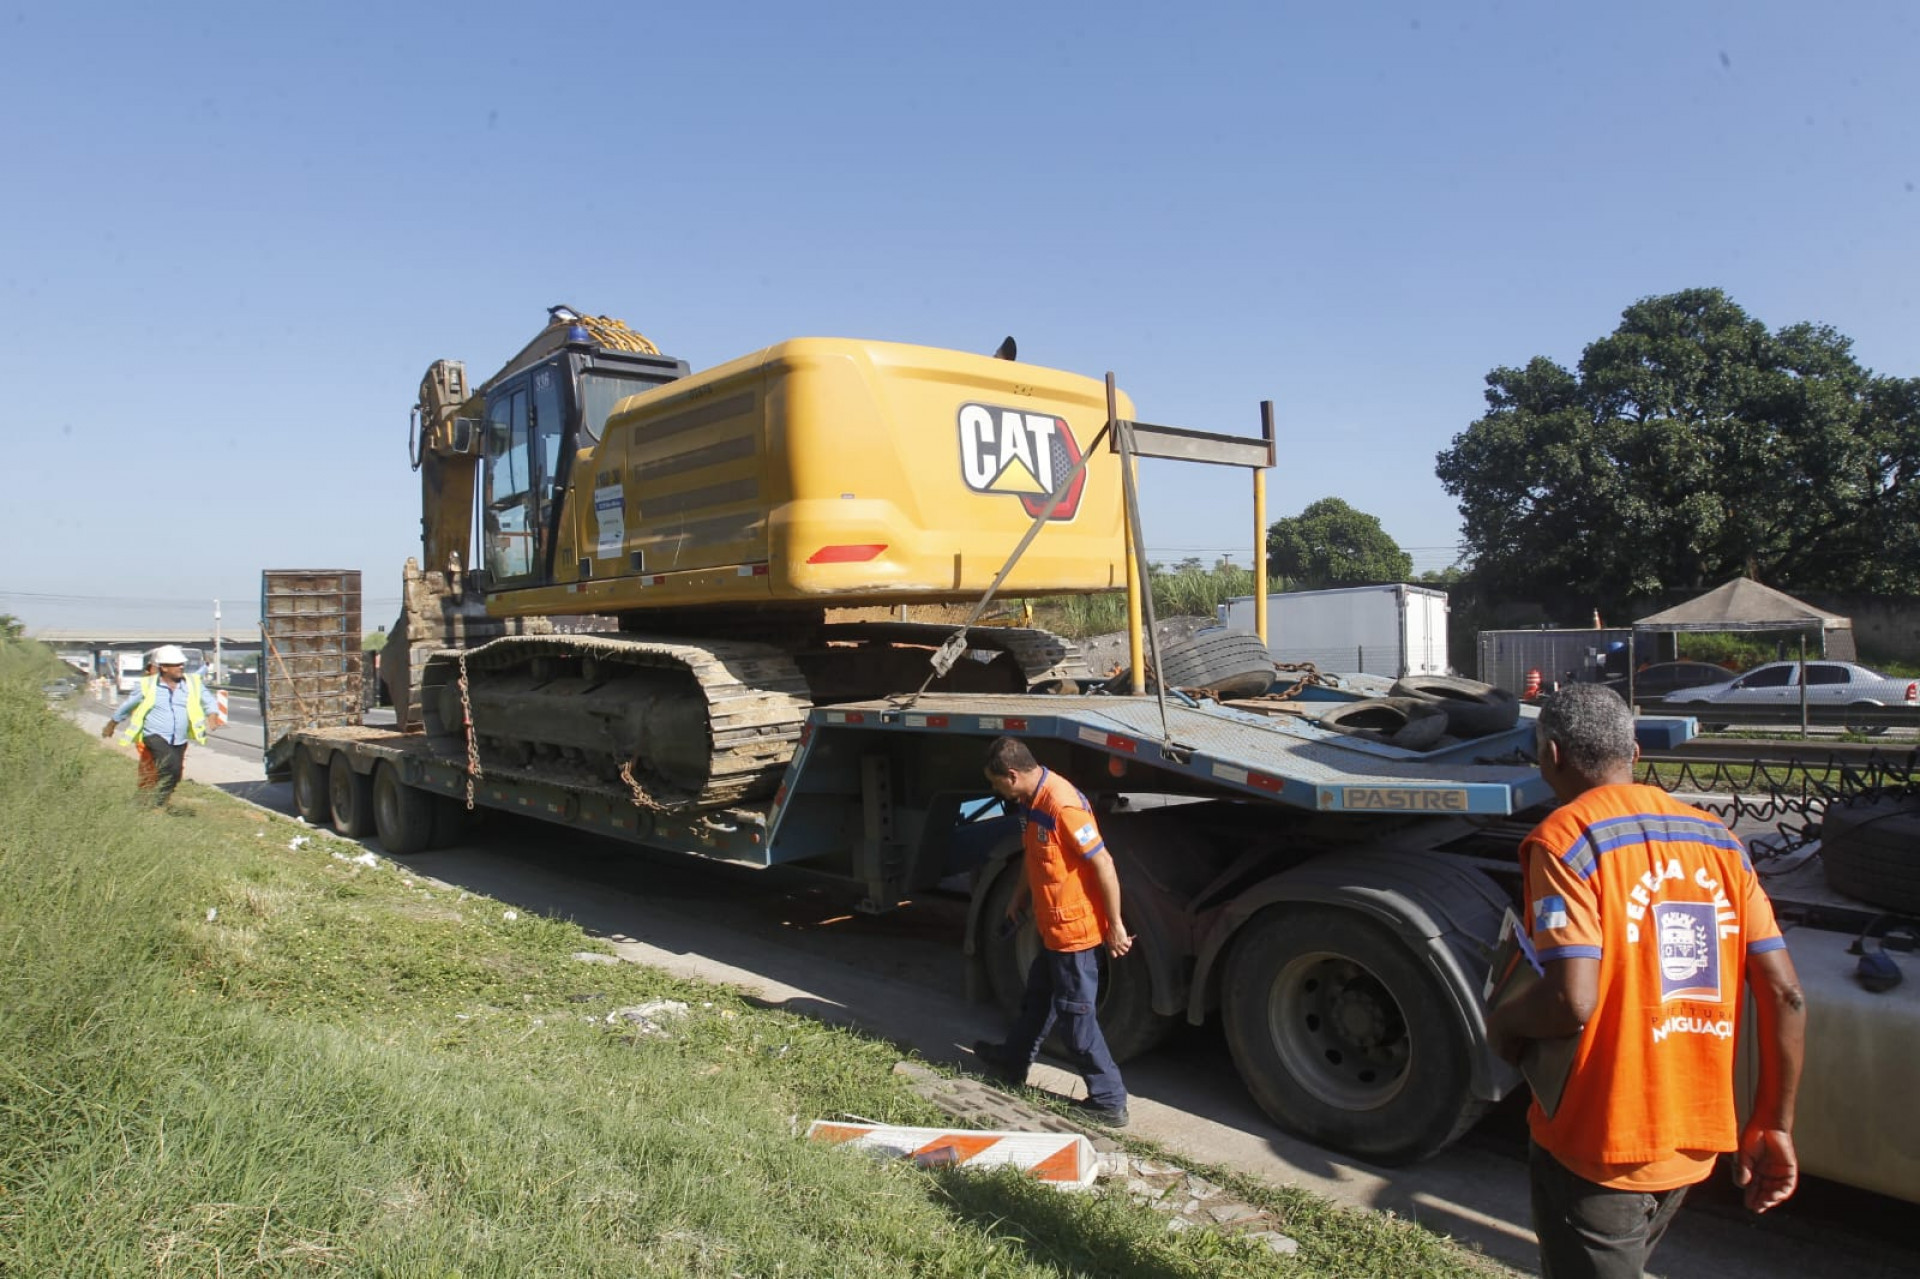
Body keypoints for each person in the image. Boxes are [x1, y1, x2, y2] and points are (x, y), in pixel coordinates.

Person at [1488, 683, 1806, 1278]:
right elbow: (1786, 994)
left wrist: (1501, 1023)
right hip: (1693, 1140)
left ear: (1551, 756)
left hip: (1598, 1144)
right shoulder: (1720, 841)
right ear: (1634, 752)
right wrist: (1772, 1122)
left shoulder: (1565, 839)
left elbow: (1571, 999)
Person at [972, 736, 1134, 1126]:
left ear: (1012, 776)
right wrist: (1017, 898)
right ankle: (1013, 1062)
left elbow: (1105, 865)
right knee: (1038, 998)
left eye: (997, 784)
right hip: (1052, 927)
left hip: (1074, 935)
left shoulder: (1062, 805)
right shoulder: (1034, 800)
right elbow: (1036, 853)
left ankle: (1110, 1101)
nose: (996, 792)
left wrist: (1115, 925)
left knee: (1076, 1022)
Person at [103, 644, 219, 807]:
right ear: (164, 668)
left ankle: (156, 802)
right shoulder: (147, 685)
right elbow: (128, 705)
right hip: (154, 735)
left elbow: (207, 699)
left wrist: (212, 714)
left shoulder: (192, 683)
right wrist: (112, 723)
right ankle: (153, 803)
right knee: (169, 767)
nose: (181, 667)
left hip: (178, 738)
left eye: (181, 664)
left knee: (176, 772)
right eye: (177, 664)